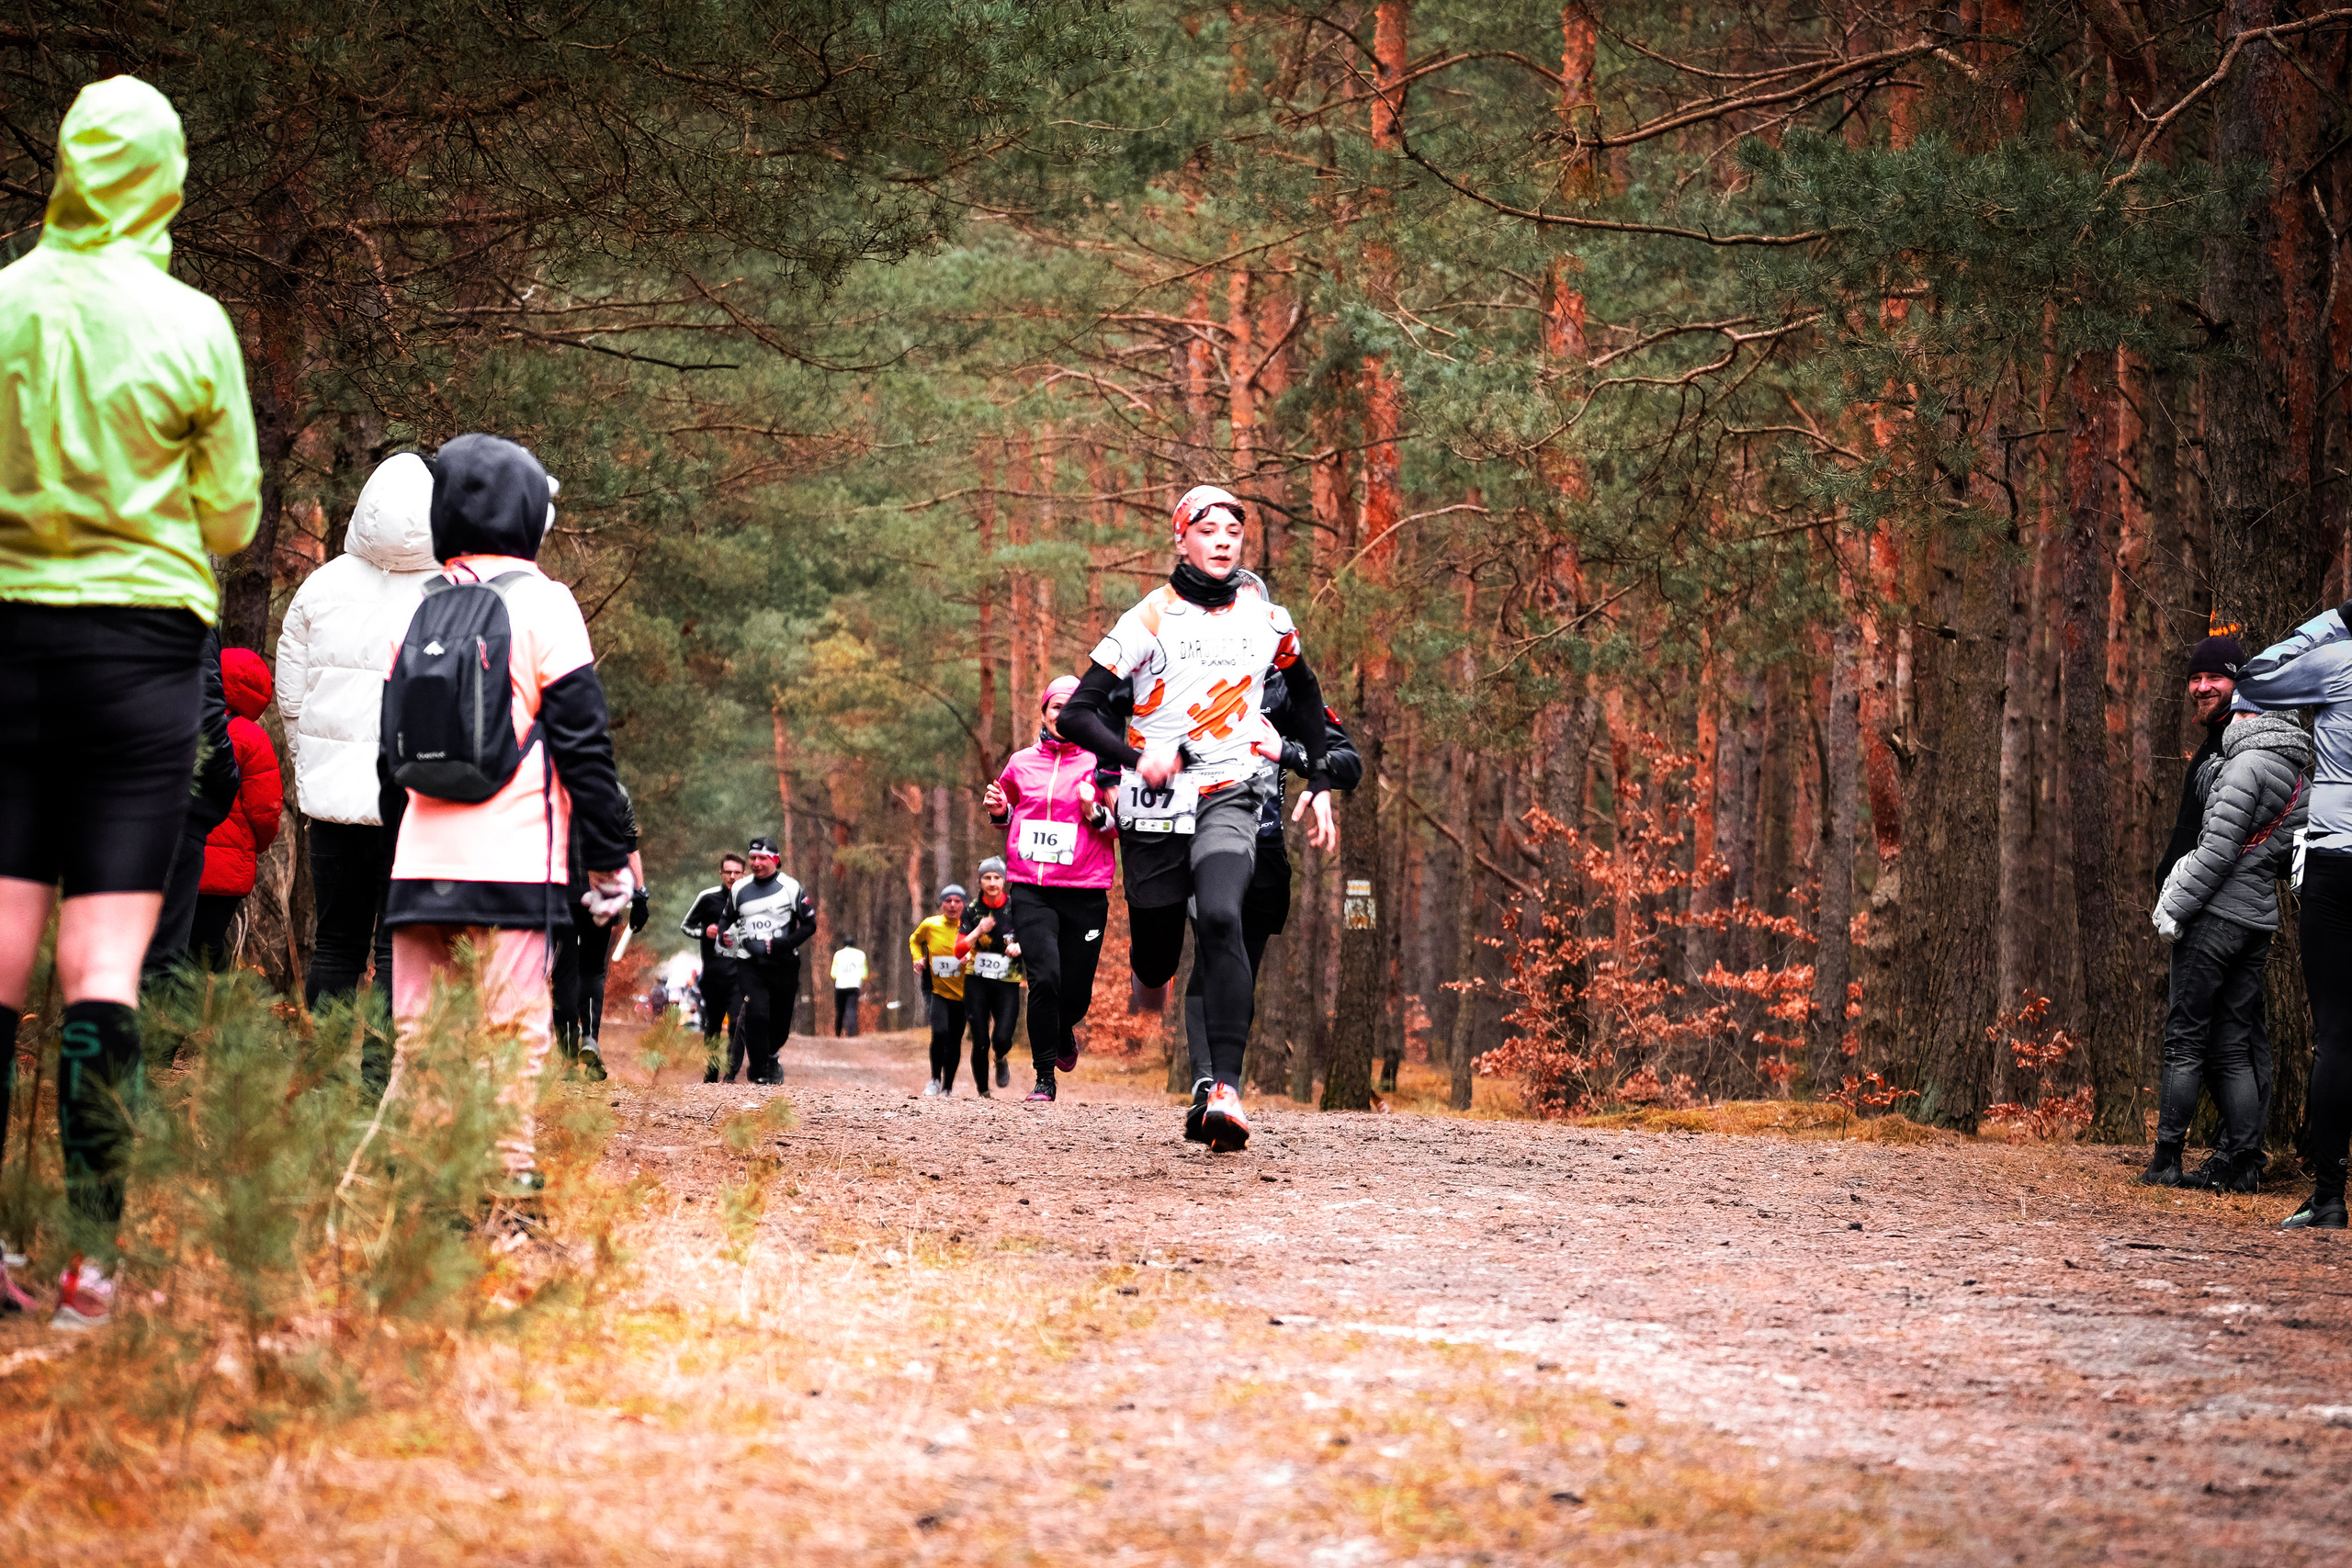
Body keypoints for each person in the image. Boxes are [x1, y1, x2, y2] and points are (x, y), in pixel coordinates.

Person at [0, 76, 261, 1326]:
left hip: (5, 638)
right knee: (102, 968)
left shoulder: (2, 304)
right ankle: (90, 1261)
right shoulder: (194, 324)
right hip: (142, 653)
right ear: (165, 180)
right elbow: (234, 515)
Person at [380, 433, 632, 1219]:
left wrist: (401, 854)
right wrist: (611, 860)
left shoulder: (418, 608)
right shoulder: (546, 604)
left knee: (418, 1037)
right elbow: (585, 746)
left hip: (418, 867)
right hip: (515, 866)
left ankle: (417, 1189)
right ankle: (504, 1189)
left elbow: (388, 761)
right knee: (509, 1030)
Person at [1057, 485, 1338, 1151]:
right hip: (1158, 801)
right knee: (1156, 955)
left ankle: (1225, 1091)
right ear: (1181, 539)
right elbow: (1077, 712)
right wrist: (1135, 755)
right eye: (1207, 529)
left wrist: (1320, 777)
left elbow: (1305, 691)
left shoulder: (1268, 618)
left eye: (1233, 532)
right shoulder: (1148, 618)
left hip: (1230, 790)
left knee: (1219, 917)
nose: (1221, 540)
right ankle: (1150, 980)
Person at [1175, 634, 1363, 1134]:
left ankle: (1221, 1087)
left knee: (1240, 964)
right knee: (1212, 944)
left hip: (1266, 851)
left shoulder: (1288, 694)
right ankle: (1209, 1086)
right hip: (1203, 843)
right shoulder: (1186, 683)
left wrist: (1291, 753)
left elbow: (1349, 764)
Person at [277, 451, 439, 1010]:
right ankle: (379, 1085)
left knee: (335, 947)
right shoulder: (449, 592)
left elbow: (291, 696)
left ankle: (324, 1086)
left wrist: (313, 766)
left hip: (333, 808)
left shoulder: (319, 588)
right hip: (413, 804)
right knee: (397, 950)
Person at [2146, 705, 2309, 1191]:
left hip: (2215, 917)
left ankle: (2167, 1159)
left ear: (2257, 717)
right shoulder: (2300, 779)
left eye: (2239, 711)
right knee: (2234, 1044)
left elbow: (2216, 851)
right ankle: (2244, 1168)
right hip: (2257, 922)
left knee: (2185, 1037)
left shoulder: (2246, 766)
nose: (2231, 718)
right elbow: (2282, 859)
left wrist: (2174, 903)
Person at [2231, 614, 2352, 1229]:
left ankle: (2330, 1196)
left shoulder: (2339, 662)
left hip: (2338, 862)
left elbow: (2251, 679)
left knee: (2336, 1035)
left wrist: (2331, 623)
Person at [983, 674, 1118, 1102]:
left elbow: (1122, 826)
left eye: (1071, 706)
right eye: (1055, 707)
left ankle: (1063, 1027)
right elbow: (1006, 812)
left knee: (1074, 994)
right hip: (1030, 888)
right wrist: (1000, 811)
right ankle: (1044, 1078)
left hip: (1085, 889)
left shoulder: (1104, 762)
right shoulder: (1020, 762)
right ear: (1044, 713)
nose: (1062, 714)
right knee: (1044, 979)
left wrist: (1093, 811)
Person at [141, 624, 239, 978]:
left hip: (102, 795)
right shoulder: (183, 591)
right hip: (179, 806)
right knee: (164, 957)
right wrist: (224, 786)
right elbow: (204, 711)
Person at [192, 645, 284, 968]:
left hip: (174, 856)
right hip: (228, 868)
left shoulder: (185, 720)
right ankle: (212, 1015)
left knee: (167, 946)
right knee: (207, 952)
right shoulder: (253, 738)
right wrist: (252, 846)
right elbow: (266, 810)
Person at [551, 784, 646, 1080]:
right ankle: (590, 1039)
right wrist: (640, 894)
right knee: (592, 969)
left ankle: (568, 1057)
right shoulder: (615, 791)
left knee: (564, 973)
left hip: (559, 894)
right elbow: (630, 847)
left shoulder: (548, 784)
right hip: (602, 894)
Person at [729, 835, 815, 1086]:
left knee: (779, 1023)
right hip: (750, 964)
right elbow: (729, 921)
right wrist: (727, 936)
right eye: (752, 858)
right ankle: (759, 1070)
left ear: (775, 860)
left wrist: (784, 943)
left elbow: (810, 925)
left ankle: (770, 1055)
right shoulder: (740, 889)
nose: (756, 862)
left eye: (762, 858)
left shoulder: (791, 887)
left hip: (784, 964)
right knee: (757, 1013)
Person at [956, 858, 1023, 1096]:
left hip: (1008, 981)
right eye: (987, 878)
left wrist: (1020, 948)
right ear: (980, 880)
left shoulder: (1017, 907)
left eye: (997, 877)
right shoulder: (972, 909)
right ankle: (983, 1091)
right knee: (980, 1038)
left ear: (1004, 880)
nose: (992, 882)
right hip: (977, 980)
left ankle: (1001, 1056)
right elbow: (958, 950)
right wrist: (978, 930)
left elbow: (1034, 937)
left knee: (1002, 1036)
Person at [682, 852, 749, 1079]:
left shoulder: (752, 900)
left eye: (736, 872)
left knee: (738, 1023)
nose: (732, 876)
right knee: (713, 1025)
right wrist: (704, 932)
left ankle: (730, 1074)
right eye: (727, 872)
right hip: (714, 974)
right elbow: (686, 925)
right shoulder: (707, 898)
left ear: (744, 874)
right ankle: (711, 1073)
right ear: (721, 874)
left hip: (741, 973)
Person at [910, 886, 971, 1095]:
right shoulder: (930, 924)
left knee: (955, 1038)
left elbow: (983, 946)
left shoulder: (971, 926)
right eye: (948, 901)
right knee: (940, 1031)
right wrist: (917, 958)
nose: (952, 905)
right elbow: (914, 940)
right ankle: (934, 1079)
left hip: (963, 993)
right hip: (936, 989)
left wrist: (971, 957)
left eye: (957, 901)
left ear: (964, 904)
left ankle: (948, 1087)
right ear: (941, 903)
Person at [831, 941, 866, 1037]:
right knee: (851, 1009)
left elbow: (833, 974)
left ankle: (838, 1033)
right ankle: (850, 1033)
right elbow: (864, 973)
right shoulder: (861, 954)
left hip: (840, 986)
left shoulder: (838, 955)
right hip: (854, 985)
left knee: (840, 1010)